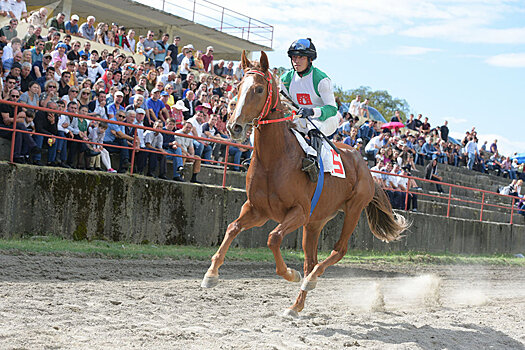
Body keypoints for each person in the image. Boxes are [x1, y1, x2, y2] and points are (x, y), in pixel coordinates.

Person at [280, 38, 341, 182]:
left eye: (301, 57)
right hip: (301, 118)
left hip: (325, 119)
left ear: (310, 59)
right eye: (294, 57)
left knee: (315, 128)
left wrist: (312, 112)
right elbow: (285, 104)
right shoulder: (286, 79)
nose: (296, 61)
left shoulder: (321, 79)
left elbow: (332, 109)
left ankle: (313, 163)